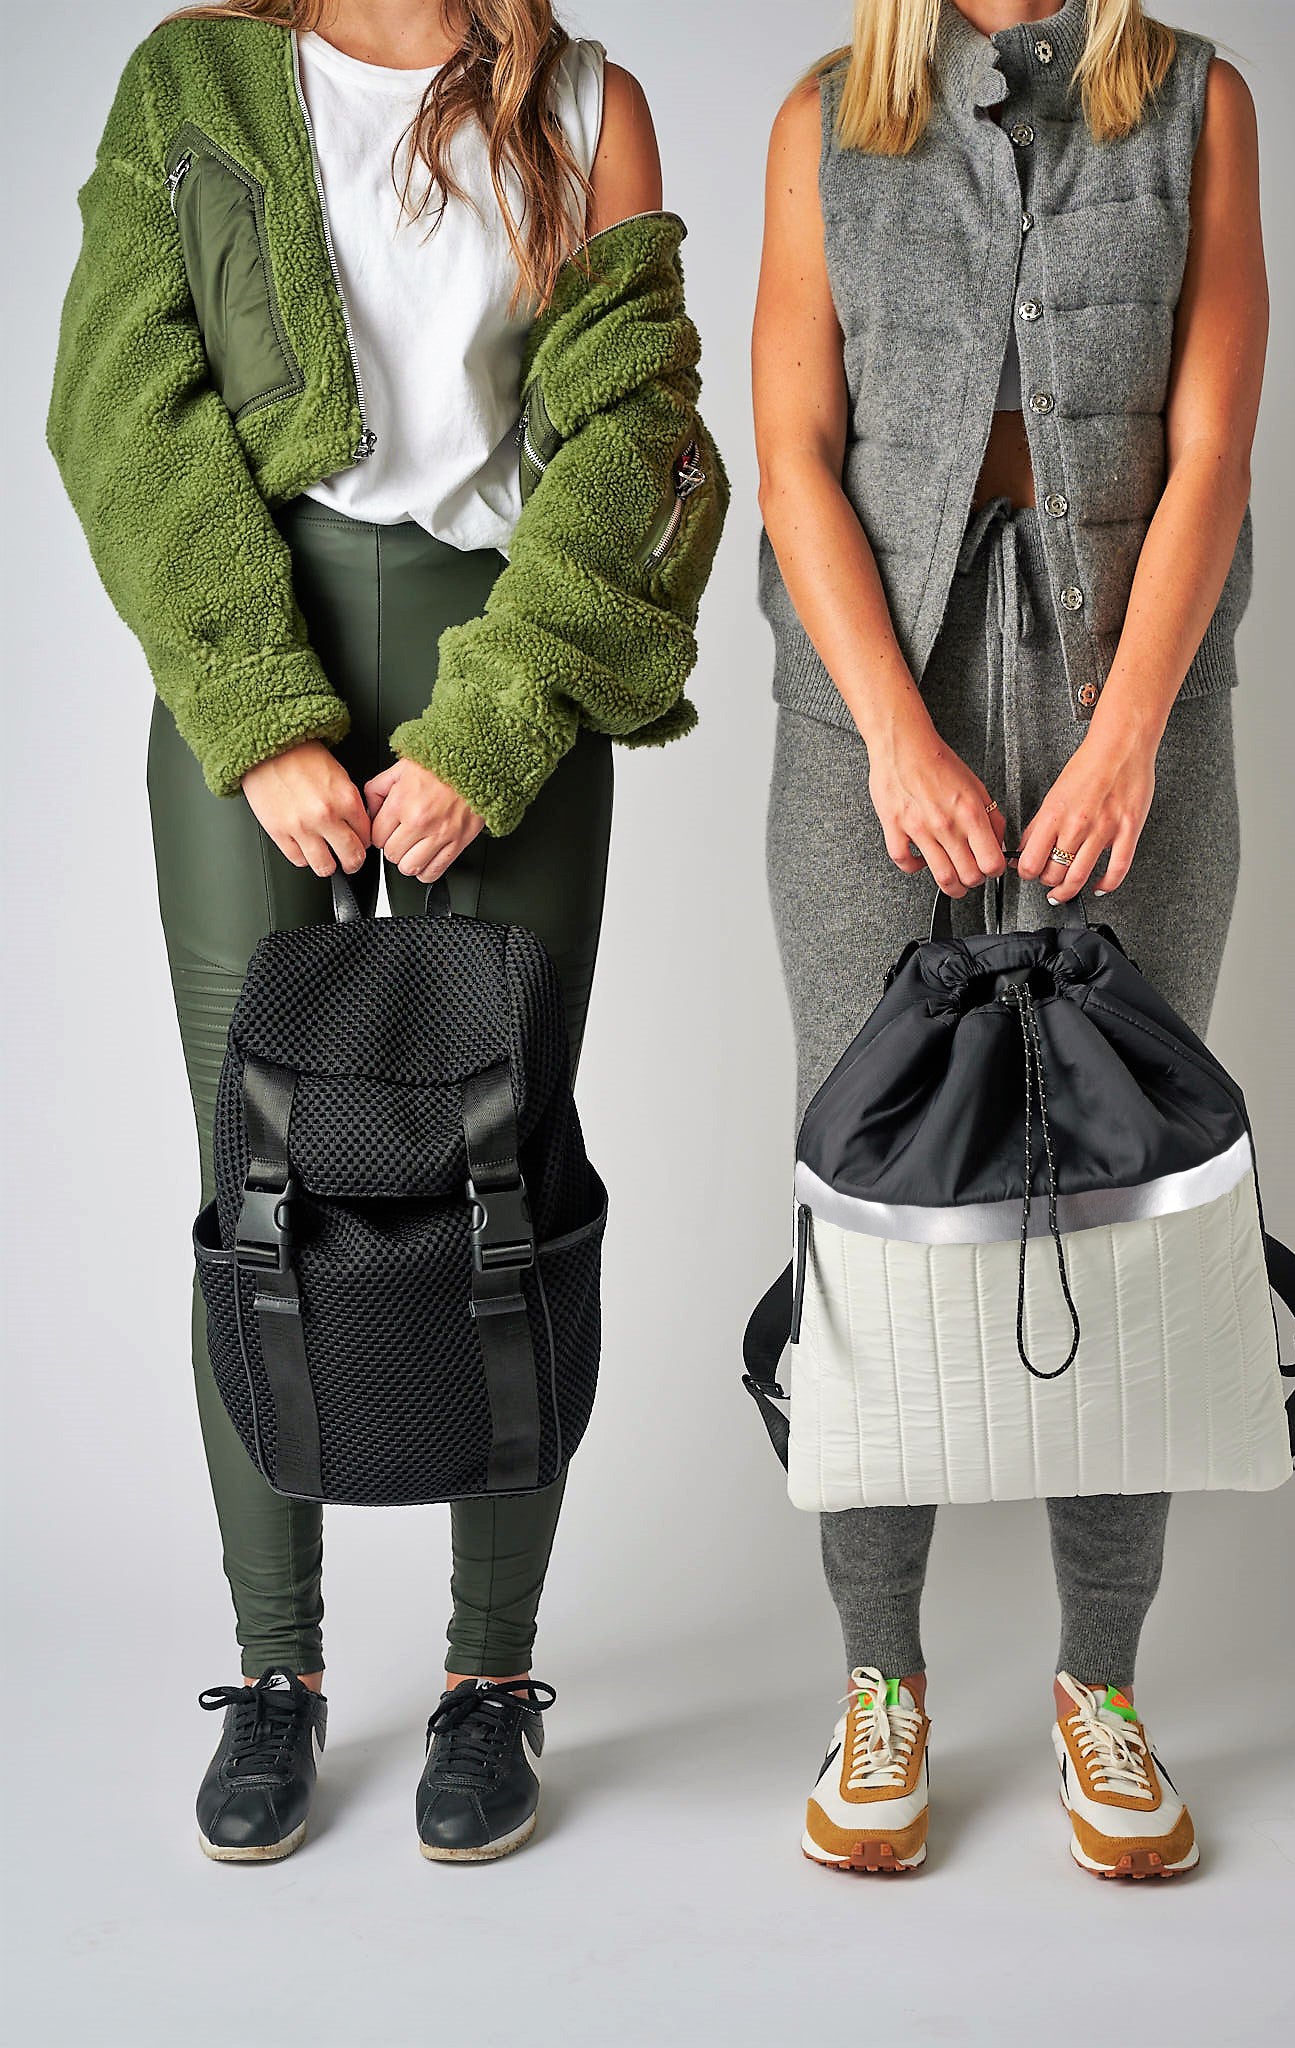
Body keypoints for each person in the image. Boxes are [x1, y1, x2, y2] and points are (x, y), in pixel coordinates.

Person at [48, 0, 723, 1864]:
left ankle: (489, 1681)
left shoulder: (589, 103)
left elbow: (639, 440)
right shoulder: (190, 79)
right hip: (245, 640)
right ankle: (276, 1674)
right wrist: (256, 712)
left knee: (504, 1174)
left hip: (504, 650)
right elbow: (122, 403)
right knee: (249, 1180)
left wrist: (494, 723)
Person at [752, 0, 1265, 1879]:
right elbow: (793, 444)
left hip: (1132, 696)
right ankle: (876, 1678)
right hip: (866, 711)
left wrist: (1131, 724)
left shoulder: (1200, 99)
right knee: (869, 1200)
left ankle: (1100, 1687)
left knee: (1116, 1199)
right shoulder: (826, 115)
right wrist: (891, 730)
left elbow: (1207, 440)